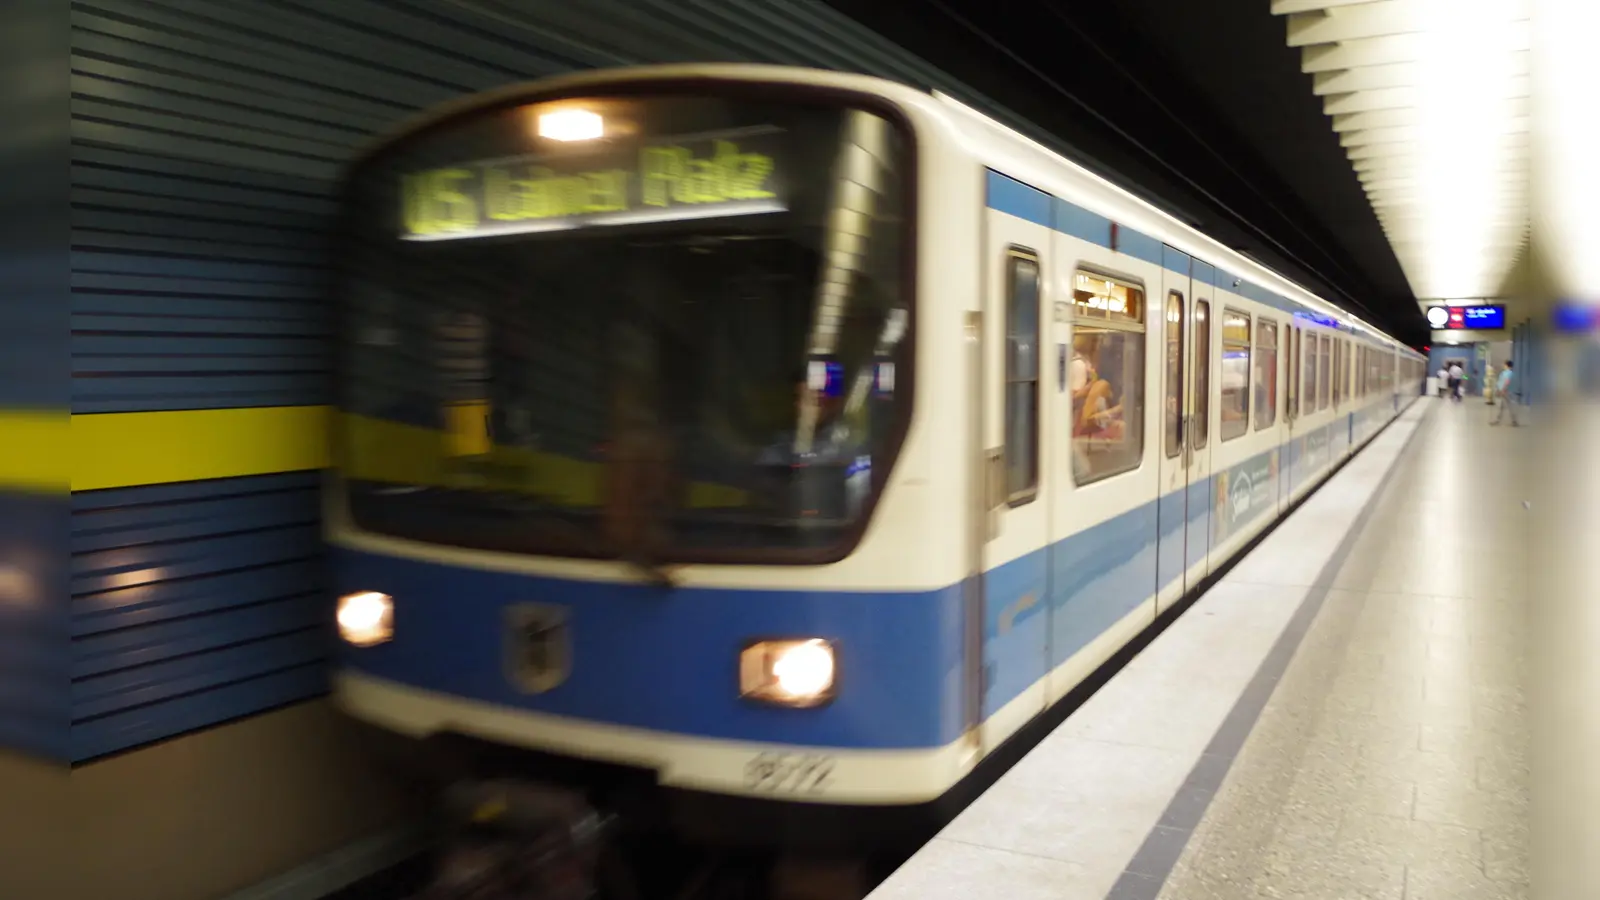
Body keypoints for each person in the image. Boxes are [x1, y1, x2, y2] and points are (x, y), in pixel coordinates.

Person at [1491, 361, 1519, 426]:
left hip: (1506, 392)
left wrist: (1503, 389)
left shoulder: (1509, 373)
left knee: (1509, 405)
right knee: (1502, 406)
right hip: (1503, 391)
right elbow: (1500, 381)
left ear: (1508, 366)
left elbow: (1507, 381)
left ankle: (1513, 420)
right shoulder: (1504, 373)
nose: (1503, 366)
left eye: (1504, 365)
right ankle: (1499, 420)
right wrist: (1498, 389)